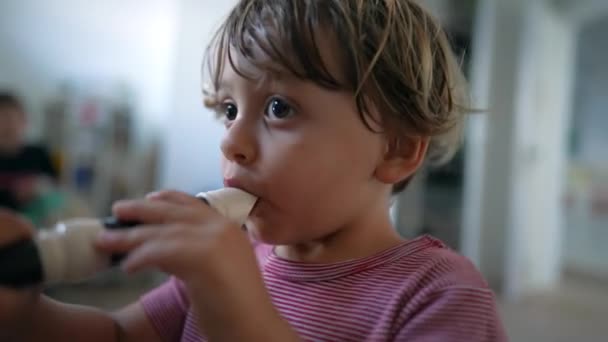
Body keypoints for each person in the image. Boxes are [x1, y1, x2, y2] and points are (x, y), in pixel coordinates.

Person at [0, 1, 507, 341]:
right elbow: (120, 335)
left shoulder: (439, 296)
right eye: (227, 109)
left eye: (279, 107)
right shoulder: (238, 257)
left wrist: (236, 306)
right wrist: (25, 313)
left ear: (395, 149)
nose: (231, 142)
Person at [0, 92, 62, 225]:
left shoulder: (39, 153)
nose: (7, 126)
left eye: (10, 119)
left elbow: (56, 188)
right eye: (1, 119)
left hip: (39, 224)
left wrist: (39, 187)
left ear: (24, 121)